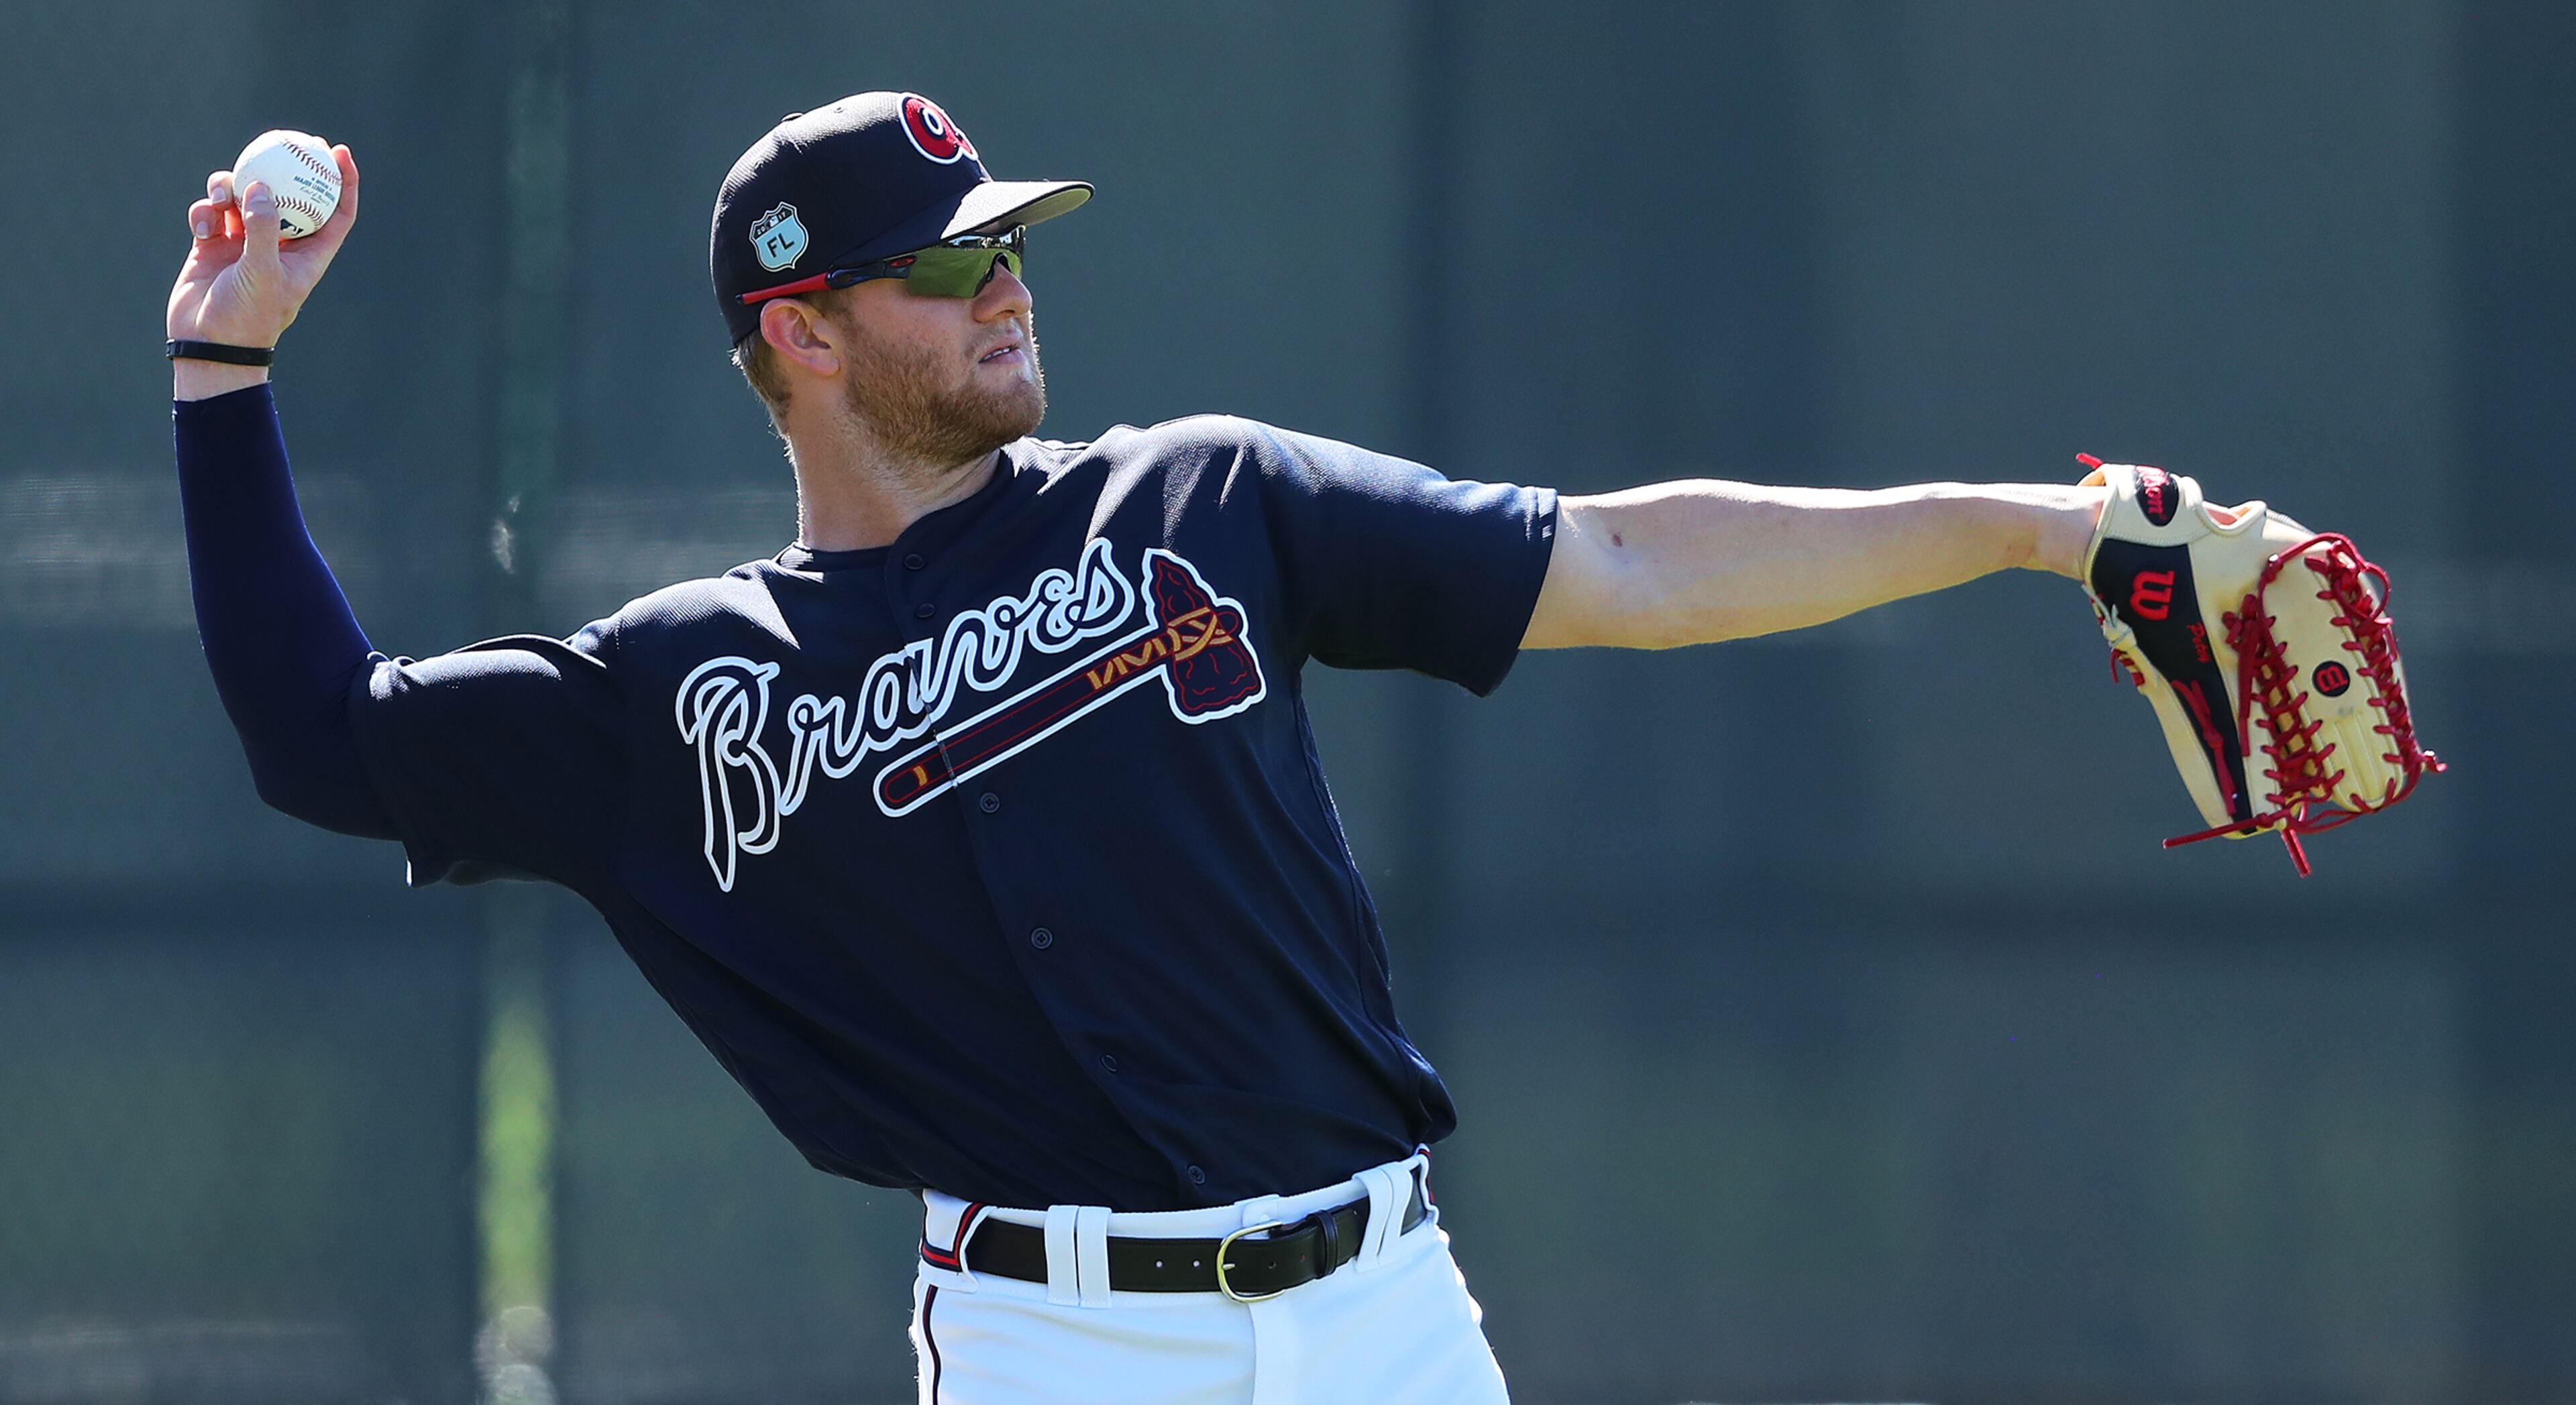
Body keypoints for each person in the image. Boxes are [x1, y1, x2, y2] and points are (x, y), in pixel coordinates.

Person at [166, 92, 2105, 1403]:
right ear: (807, 333)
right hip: (1055, 1349)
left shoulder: (1202, 504)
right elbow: (330, 741)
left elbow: (1624, 556)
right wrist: (226, 371)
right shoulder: (691, 691)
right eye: (946, 263)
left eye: (1007, 240)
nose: (1004, 279)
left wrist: (2035, 525)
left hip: (1386, 1318)